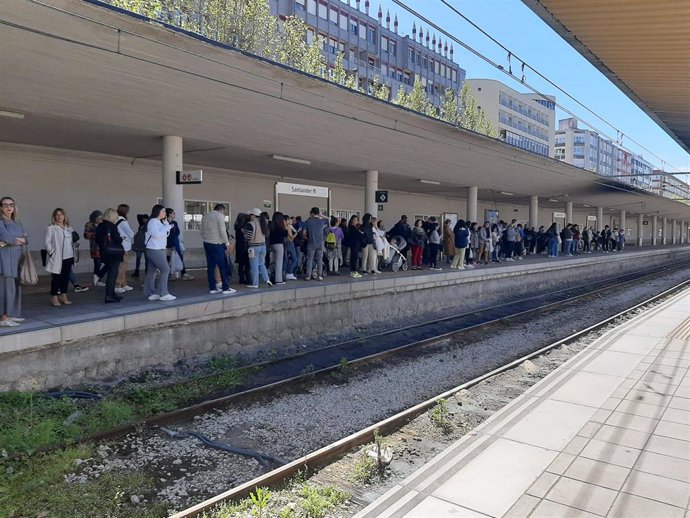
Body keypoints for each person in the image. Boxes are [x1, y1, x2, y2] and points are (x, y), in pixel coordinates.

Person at [0, 197, 27, 326]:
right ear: (0, 207)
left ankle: (10, 313)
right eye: (5, 205)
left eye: (11, 205)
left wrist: (15, 240)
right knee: (5, 289)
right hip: (5, 260)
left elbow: (26, 238)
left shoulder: (16, 222)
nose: (8, 207)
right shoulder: (0, 222)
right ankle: (3, 317)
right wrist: (17, 240)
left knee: (15, 288)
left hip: (17, 259)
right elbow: (6, 237)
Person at [44, 208, 75, 307]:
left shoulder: (68, 227)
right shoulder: (51, 228)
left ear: (64, 216)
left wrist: (75, 245)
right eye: (57, 215)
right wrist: (52, 252)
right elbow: (47, 242)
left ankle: (63, 295)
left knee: (65, 277)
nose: (59, 216)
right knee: (56, 277)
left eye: (61, 214)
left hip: (68, 256)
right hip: (57, 257)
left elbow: (72, 240)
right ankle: (54, 296)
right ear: (54, 217)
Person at [145, 204, 176, 301]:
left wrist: (166, 224)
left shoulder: (158, 222)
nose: (165, 213)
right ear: (157, 211)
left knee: (151, 271)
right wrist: (167, 227)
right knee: (165, 269)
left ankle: (151, 292)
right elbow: (156, 235)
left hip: (156, 249)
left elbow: (165, 234)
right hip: (155, 249)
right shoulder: (153, 221)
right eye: (163, 211)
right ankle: (163, 293)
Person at [201, 204, 233, 295]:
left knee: (211, 266)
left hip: (207, 243)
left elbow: (201, 231)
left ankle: (212, 288)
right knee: (222, 265)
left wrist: (206, 239)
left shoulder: (205, 216)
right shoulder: (220, 216)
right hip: (217, 244)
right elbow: (222, 231)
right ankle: (225, 288)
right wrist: (226, 243)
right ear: (222, 210)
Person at [95, 208, 125, 303]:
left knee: (110, 272)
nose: (116, 219)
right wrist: (121, 238)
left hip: (105, 252)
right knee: (112, 274)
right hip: (114, 253)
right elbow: (118, 239)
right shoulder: (112, 226)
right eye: (115, 217)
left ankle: (111, 293)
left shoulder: (100, 226)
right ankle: (109, 295)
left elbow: (97, 239)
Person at [244, 208, 271, 288]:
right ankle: (267, 280)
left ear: (253, 215)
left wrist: (244, 234)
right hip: (263, 246)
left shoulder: (250, 224)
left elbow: (248, 237)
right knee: (262, 264)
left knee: (254, 266)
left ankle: (255, 283)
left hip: (254, 247)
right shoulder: (263, 223)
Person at [165, 208, 194, 282]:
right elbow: (166, 234)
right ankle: (169, 274)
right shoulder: (164, 223)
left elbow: (177, 232)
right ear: (169, 214)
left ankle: (184, 273)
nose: (174, 215)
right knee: (167, 259)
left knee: (180, 257)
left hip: (176, 242)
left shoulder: (175, 223)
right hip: (167, 243)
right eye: (173, 213)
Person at [114, 204, 135, 293]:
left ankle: (123, 283)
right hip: (124, 246)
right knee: (122, 266)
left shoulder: (115, 219)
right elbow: (130, 233)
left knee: (123, 265)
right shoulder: (123, 221)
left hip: (119, 245)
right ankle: (118, 284)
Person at [303, 207, 328, 280]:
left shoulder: (308, 222)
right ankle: (320, 276)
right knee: (319, 259)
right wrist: (321, 215)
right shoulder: (322, 221)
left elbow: (304, 233)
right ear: (318, 213)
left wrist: (306, 237)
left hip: (311, 242)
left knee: (310, 259)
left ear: (312, 213)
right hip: (320, 242)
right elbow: (329, 219)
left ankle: (308, 276)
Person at [84, 210, 106, 287]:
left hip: (104, 246)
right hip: (95, 247)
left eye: (101, 218)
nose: (100, 219)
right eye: (98, 218)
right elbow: (86, 235)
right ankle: (97, 279)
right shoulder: (89, 224)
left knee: (107, 263)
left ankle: (98, 276)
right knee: (97, 263)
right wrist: (96, 234)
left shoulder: (103, 224)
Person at [269, 211, 287, 285]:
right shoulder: (280, 227)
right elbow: (285, 234)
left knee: (273, 261)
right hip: (279, 245)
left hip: (272, 244)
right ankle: (278, 280)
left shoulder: (271, 226)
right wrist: (285, 225)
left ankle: (271, 277)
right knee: (279, 262)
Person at [234, 213, 250, 284]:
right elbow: (247, 238)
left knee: (241, 264)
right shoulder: (244, 228)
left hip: (239, 247)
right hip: (245, 247)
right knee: (247, 264)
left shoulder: (237, 227)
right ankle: (248, 278)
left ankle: (241, 278)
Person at [131, 213, 149, 278]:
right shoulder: (141, 224)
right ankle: (137, 271)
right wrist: (145, 217)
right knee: (138, 258)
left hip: (145, 244)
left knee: (147, 259)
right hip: (139, 244)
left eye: (145, 219)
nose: (144, 220)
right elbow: (138, 215)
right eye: (143, 219)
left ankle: (147, 272)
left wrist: (148, 220)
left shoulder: (149, 225)